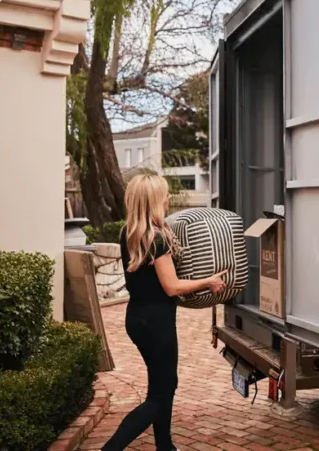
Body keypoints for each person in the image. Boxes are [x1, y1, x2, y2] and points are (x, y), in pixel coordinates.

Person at [102, 174, 228, 451]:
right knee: (160, 393)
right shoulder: (155, 238)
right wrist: (208, 281)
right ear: (154, 200)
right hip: (157, 322)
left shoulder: (129, 232)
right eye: (165, 195)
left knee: (162, 384)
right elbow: (172, 287)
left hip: (137, 317)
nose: (169, 199)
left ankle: (165, 446)